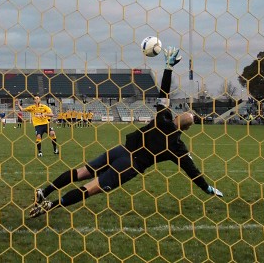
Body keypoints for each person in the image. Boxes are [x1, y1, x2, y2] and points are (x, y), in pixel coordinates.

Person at [29, 47, 223, 218]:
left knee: (81, 172)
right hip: (130, 165)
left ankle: (45, 192)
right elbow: (192, 171)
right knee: (90, 188)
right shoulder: (177, 146)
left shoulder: (163, 117)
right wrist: (207, 188)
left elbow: (163, 93)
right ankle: (51, 205)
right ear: (186, 129)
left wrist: (168, 67)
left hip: (120, 151)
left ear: (177, 117)